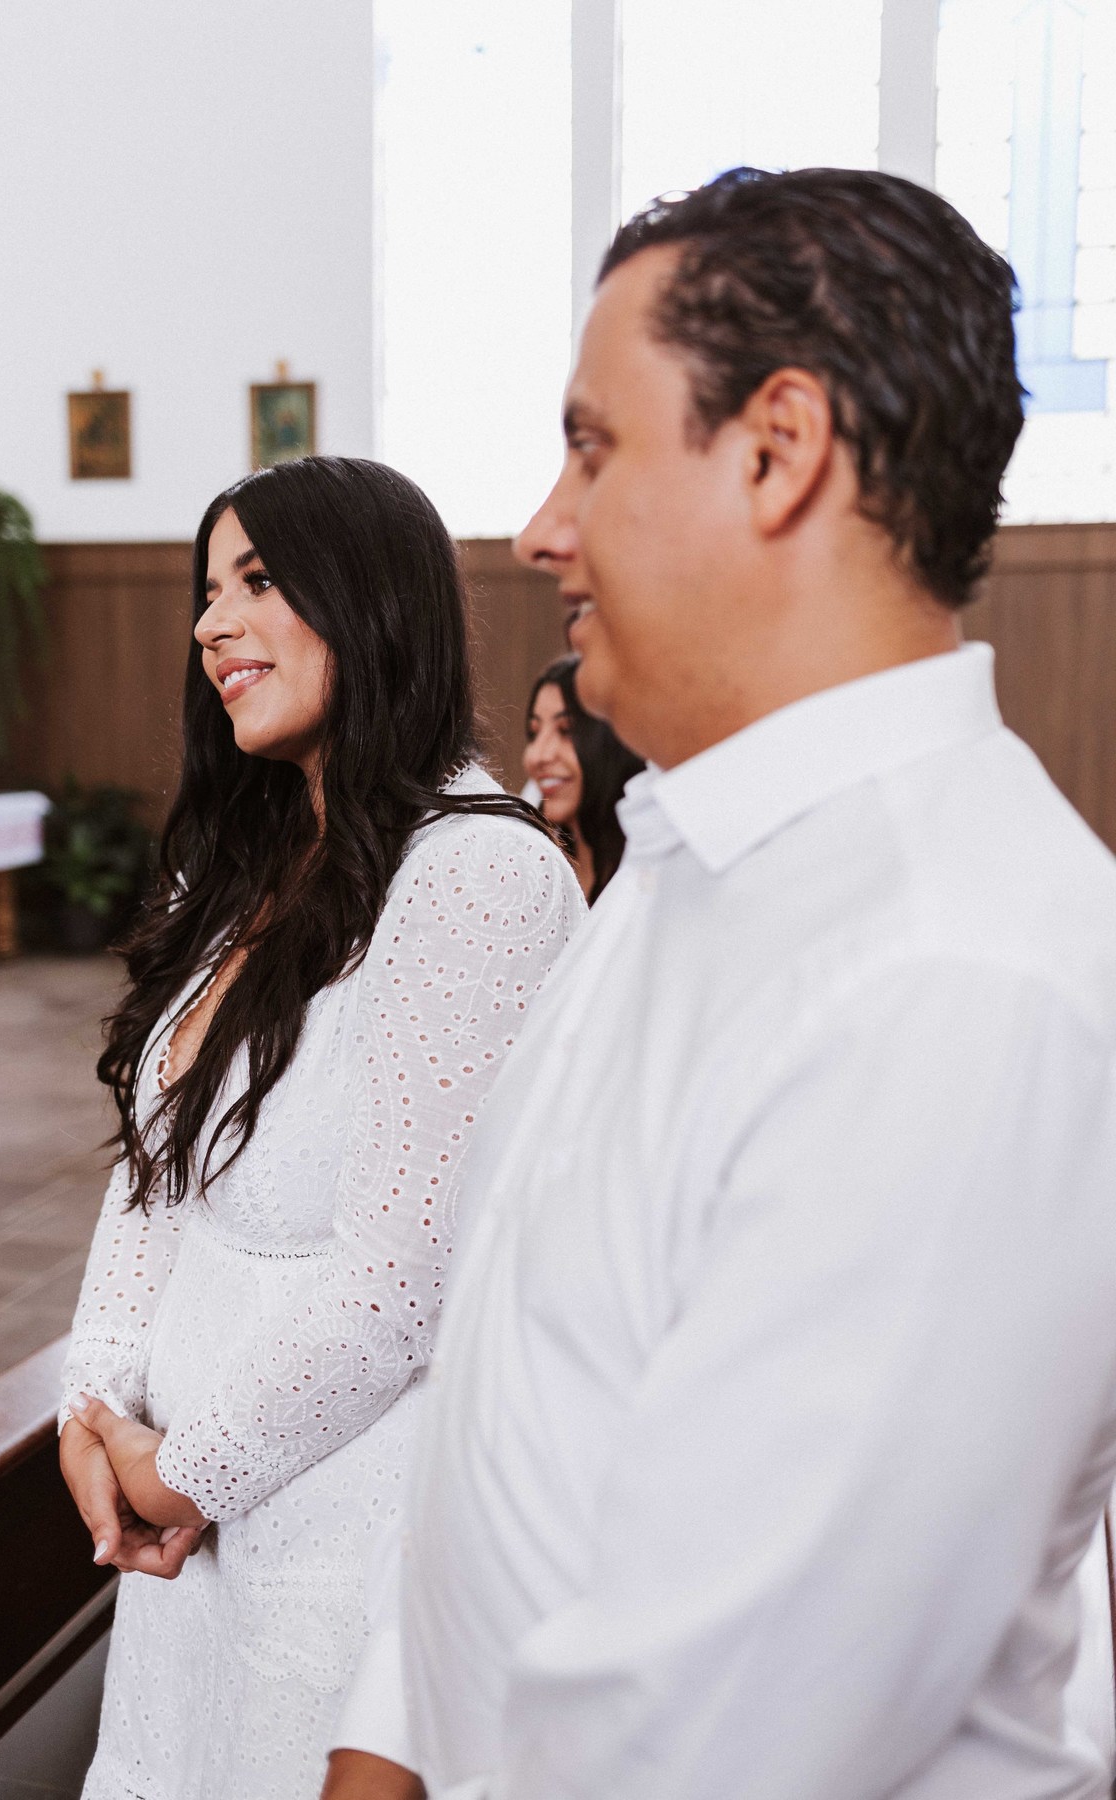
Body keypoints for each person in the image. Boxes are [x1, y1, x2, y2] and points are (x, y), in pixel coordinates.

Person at [329, 168, 1116, 1798]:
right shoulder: (685, 849)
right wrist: (387, 1744)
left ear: (778, 449)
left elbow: (704, 1744)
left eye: (593, 448)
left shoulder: (955, 975)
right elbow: (511, 1402)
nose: (542, 528)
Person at [57, 455, 584, 1800]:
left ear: (373, 600)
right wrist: (95, 1410)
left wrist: (186, 1472)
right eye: (206, 590)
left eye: (257, 582)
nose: (209, 624)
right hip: (186, 1537)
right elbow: (154, 1179)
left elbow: (400, 1282)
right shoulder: (244, 869)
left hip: (339, 1534)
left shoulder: (474, 873)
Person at [523, 654, 644, 902]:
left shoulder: (648, 877)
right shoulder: (531, 874)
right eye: (534, 734)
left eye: (566, 730)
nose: (537, 756)